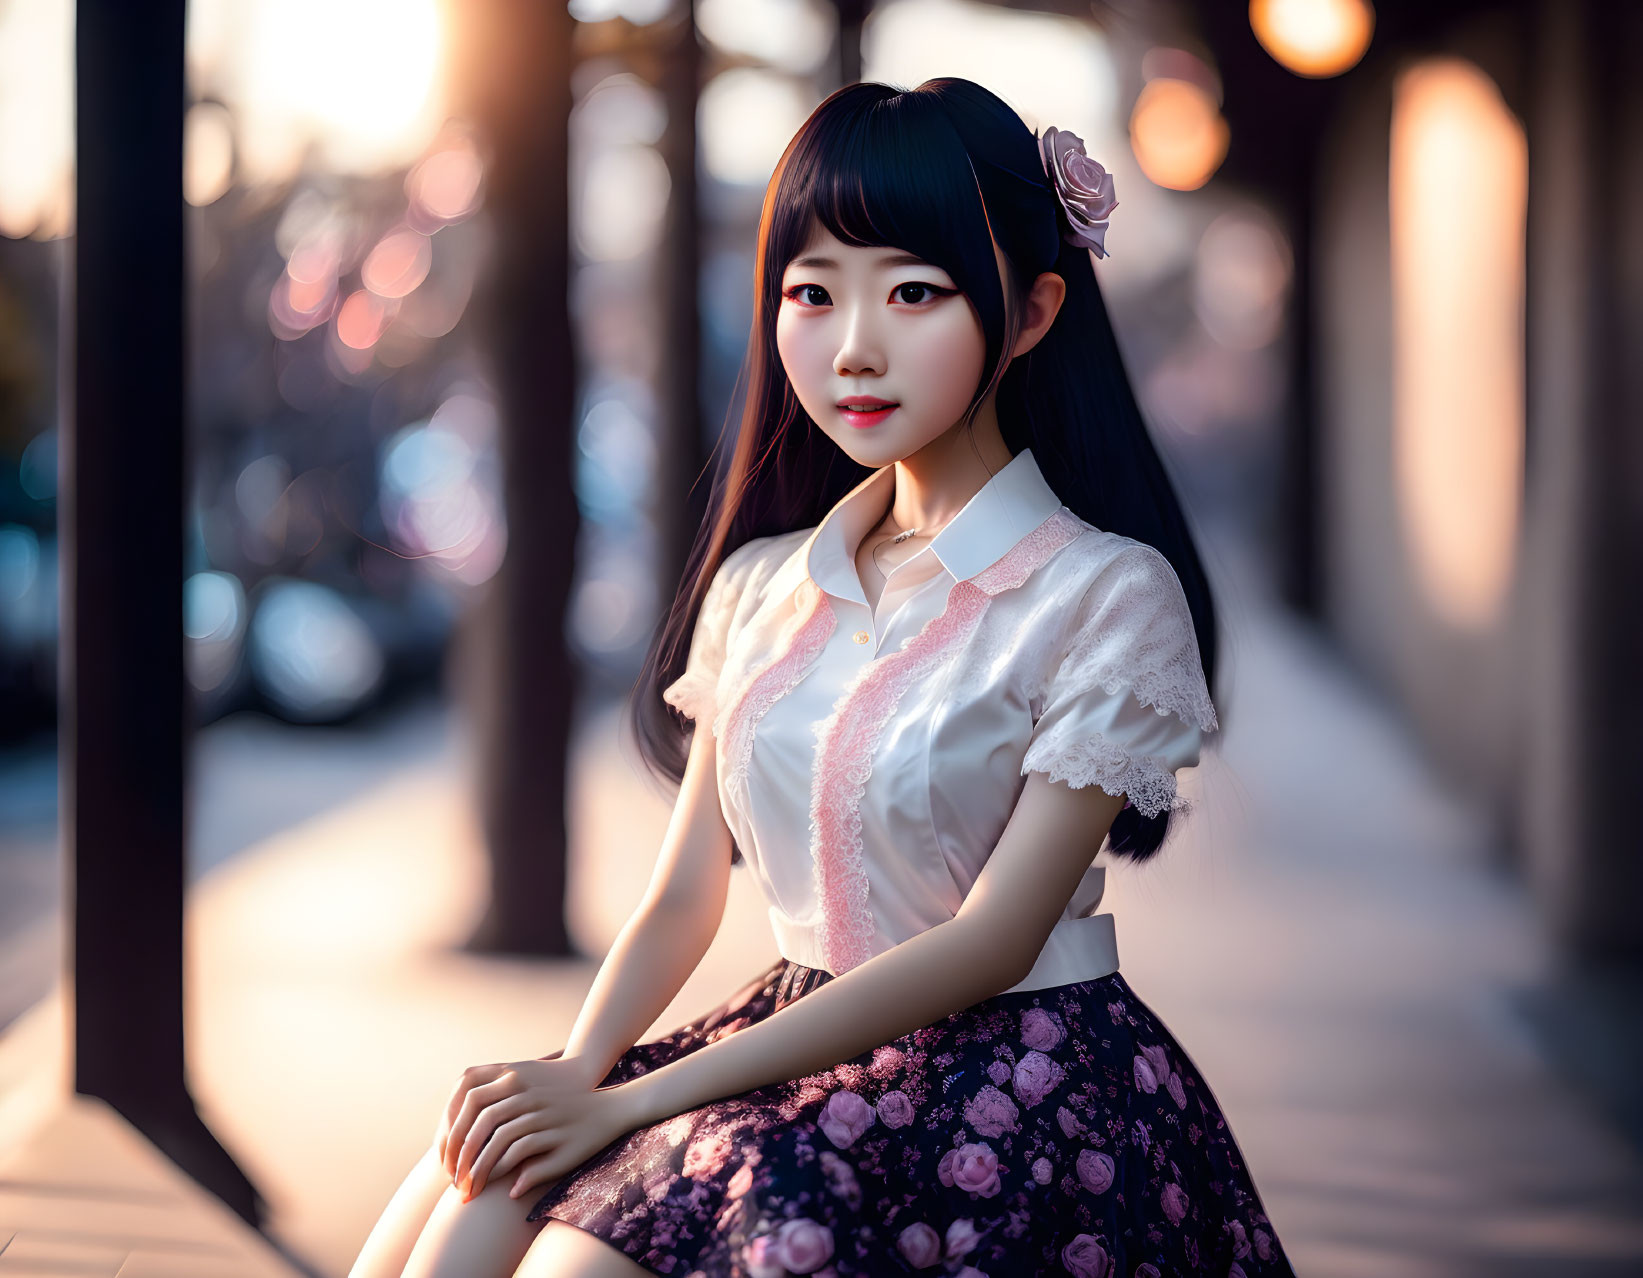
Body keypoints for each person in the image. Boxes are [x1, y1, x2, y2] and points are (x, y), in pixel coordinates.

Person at [348, 77, 1297, 1278]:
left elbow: (992, 944)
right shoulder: (761, 584)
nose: (853, 346)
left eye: (912, 292)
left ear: (1032, 309)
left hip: (1008, 1085)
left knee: (572, 1262)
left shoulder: (1104, 596)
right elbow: (684, 895)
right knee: (455, 1206)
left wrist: (634, 1107)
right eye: (811, 292)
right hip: (785, 1037)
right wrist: (577, 1071)